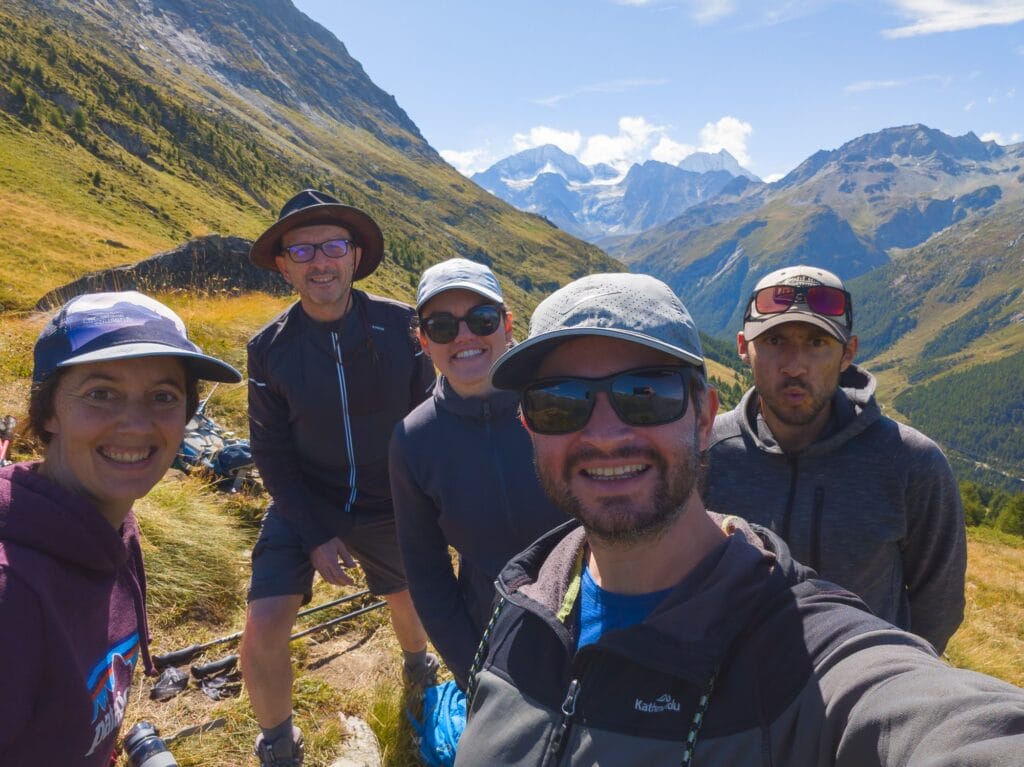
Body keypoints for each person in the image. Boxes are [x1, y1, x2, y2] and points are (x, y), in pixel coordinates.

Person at [454, 272, 1024, 766]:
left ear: (701, 418)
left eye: (645, 394)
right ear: (529, 425)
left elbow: (944, 704)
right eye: (560, 401)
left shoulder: (818, 646)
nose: (604, 435)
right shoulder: (523, 602)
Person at [0, 291, 240, 766]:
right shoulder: (12, 594)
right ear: (48, 412)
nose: (135, 424)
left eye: (163, 396)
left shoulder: (108, 524)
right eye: (101, 393)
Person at [240, 189, 437, 766]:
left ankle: (418, 664)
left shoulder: (404, 328)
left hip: (390, 499)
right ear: (282, 266)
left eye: (332, 246)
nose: (318, 262)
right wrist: (314, 531)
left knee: (405, 593)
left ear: (354, 256)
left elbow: (429, 414)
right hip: (304, 497)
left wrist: (426, 499)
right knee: (267, 619)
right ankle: (278, 742)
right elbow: (271, 450)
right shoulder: (269, 350)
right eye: (301, 251)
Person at [705, 265, 965, 653]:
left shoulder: (911, 463)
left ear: (848, 353)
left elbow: (938, 604)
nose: (795, 365)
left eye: (817, 343)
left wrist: (889, 679)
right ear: (744, 347)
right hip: (730, 694)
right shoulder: (705, 455)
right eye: (775, 340)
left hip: (863, 696)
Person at [389, 259, 564, 690]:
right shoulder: (413, 441)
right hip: (495, 637)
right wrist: (473, 674)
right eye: (444, 327)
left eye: (481, 319)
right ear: (424, 341)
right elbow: (427, 573)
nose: (464, 336)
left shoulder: (563, 402)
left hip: (600, 619)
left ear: (507, 325)